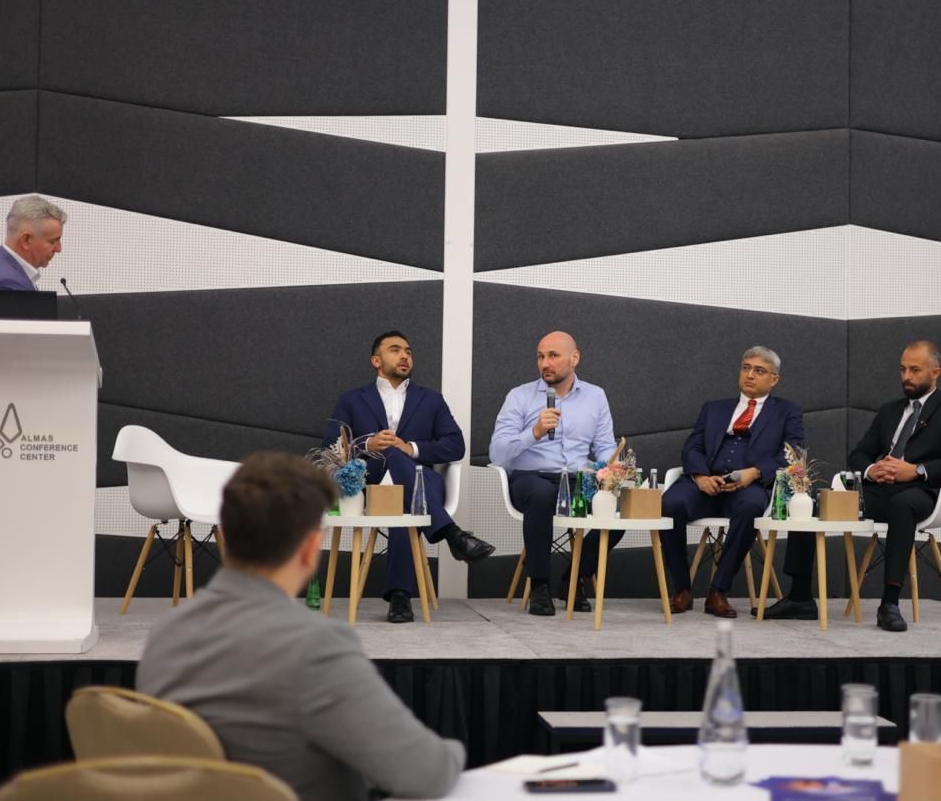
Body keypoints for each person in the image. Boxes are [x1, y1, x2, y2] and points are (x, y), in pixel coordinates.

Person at [137, 452, 465, 801]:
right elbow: (427, 772)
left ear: (227, 535)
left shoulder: (166, 634)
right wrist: (455, 750)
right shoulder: (317, 647)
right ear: (310, 549)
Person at [761, 340, 941, 632]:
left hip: (923, 492)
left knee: (902, 505)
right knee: (810, 503)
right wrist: (873, 470)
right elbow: (859, 454)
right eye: (902, 369)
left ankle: (889, 603)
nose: (906, 376)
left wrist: (916, 470)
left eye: (915, 370)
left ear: (935, 372)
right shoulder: (890, 410)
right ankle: (800, 597)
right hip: (879, 490)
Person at [323, 330, 494, 623]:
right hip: (371, 483)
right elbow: (330, 445)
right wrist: (367, 444)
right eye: (395, 350)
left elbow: (456, 445)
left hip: (421, 481)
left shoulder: (431, 399)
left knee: (402, 489)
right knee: (394, 466)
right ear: (376, 360)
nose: (404, 355)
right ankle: (452, 535)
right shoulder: (352, 400)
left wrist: (411, 448)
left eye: (408, 351)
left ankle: (400, 596)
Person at [660, 346, 804, 618]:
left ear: (774, 379)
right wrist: (700, 476)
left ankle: (718, 591)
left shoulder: (787, 412)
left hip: (749, 486)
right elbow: (693, 446)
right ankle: (682, 589)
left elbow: (794, 454)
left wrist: (756, 472)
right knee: (670, 504)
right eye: (746, 368)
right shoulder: (714, 409)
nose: (750, 375)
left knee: (750, 508)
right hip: (706, 482)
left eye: (759, 370)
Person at [490, 331, 621, 616]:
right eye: (540, 356)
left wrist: (611, 467)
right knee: (542, 495)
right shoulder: (520, 396)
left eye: (553, 355)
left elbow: (604, 446)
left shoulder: (595, 396)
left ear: (575, 358)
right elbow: (497, 453)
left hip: (577, 479)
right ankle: (539, 585)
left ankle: (572, 580)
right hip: (531, 478)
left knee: (619, 507)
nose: (545, 363)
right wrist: (534, 432)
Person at [0, 196, 66, 290]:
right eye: (52, 241)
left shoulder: (2, 267)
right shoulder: (8, 284)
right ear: (26, 240)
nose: (59, 249)